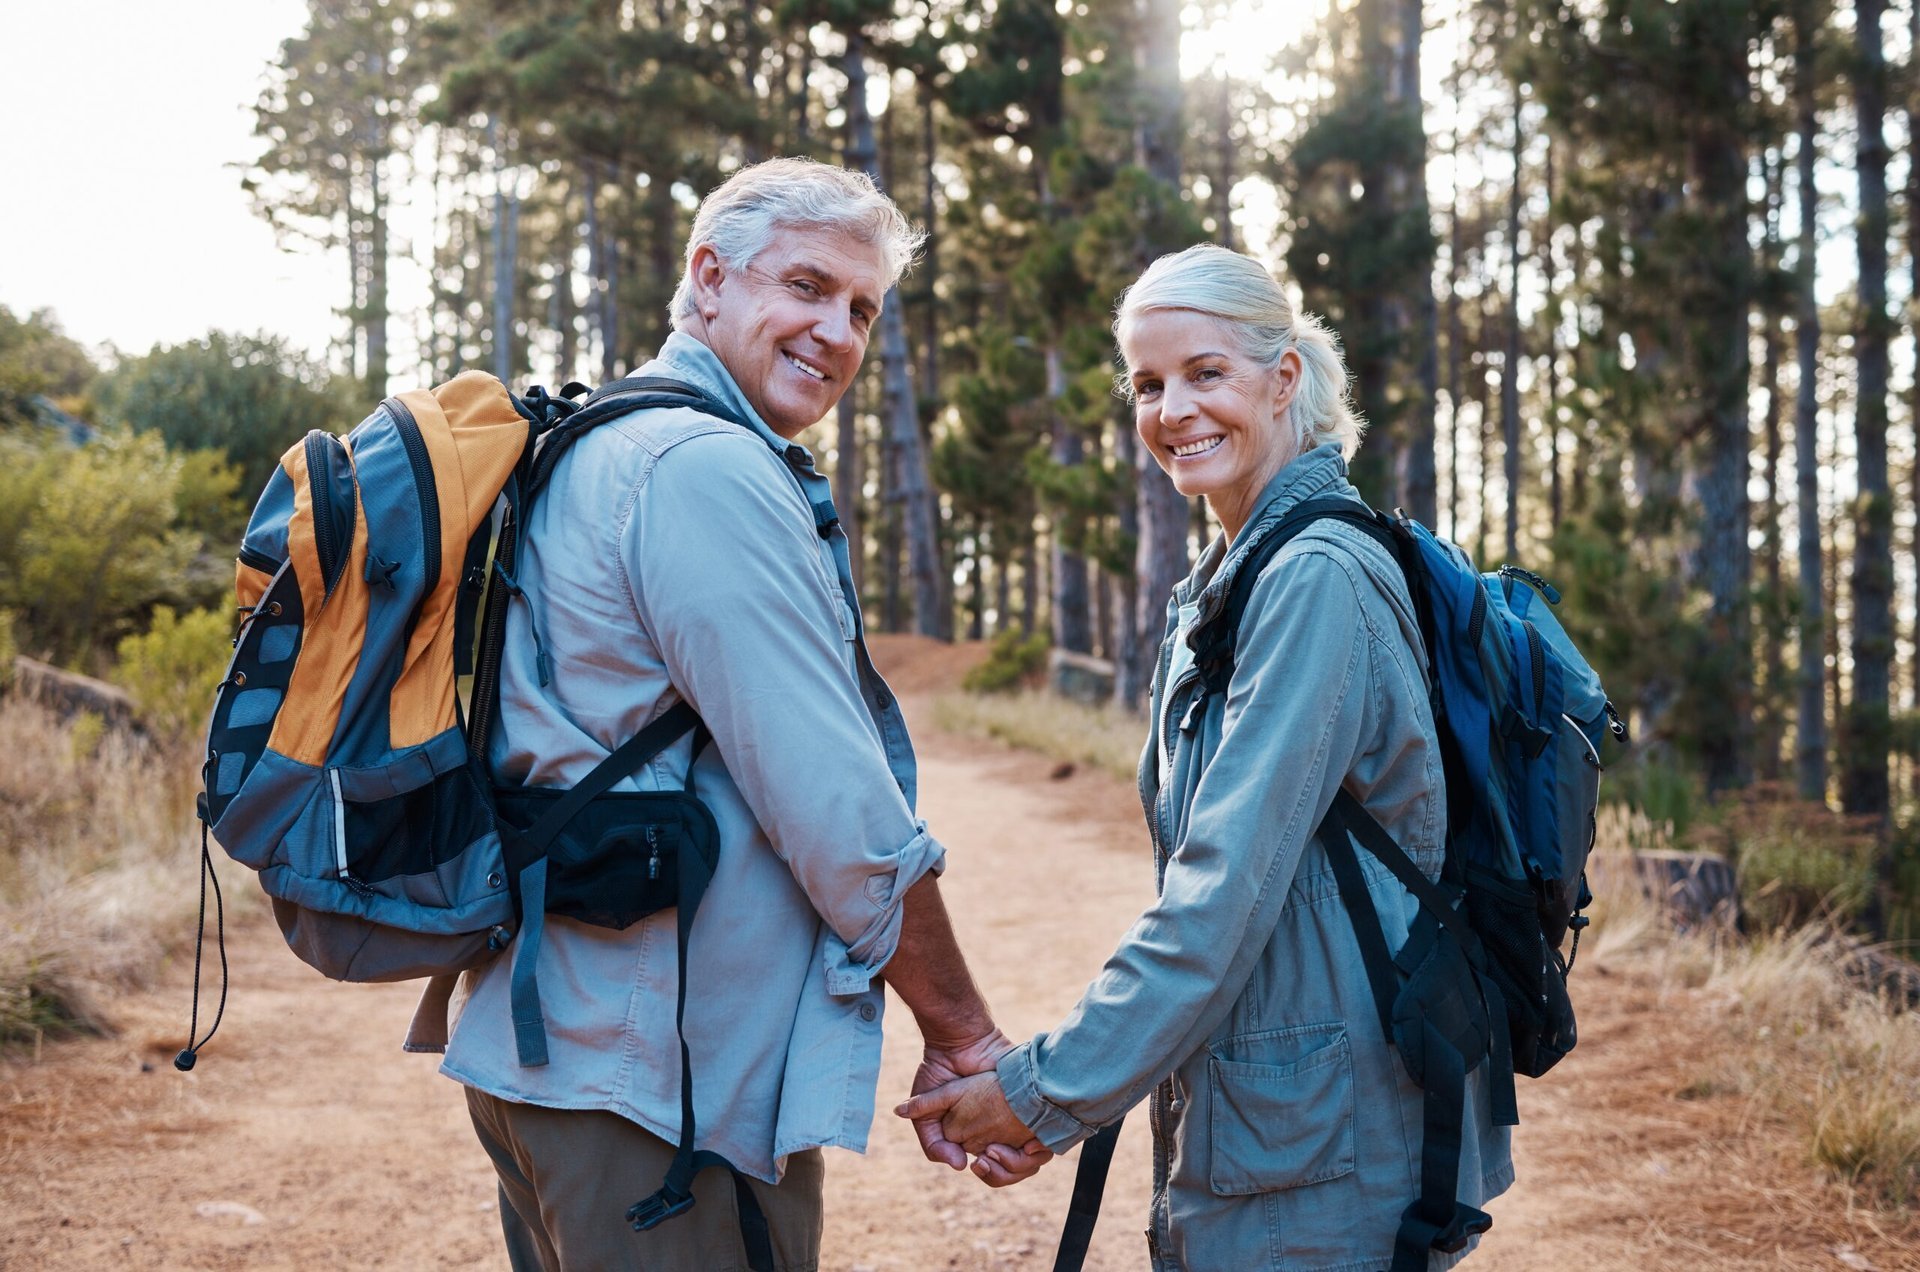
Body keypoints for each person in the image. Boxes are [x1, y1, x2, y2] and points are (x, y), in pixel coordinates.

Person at [440, 157, 1045, 1272]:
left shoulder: (608, 438)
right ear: (709, 278)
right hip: (658, 1098)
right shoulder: (700, 467)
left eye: (862, 309)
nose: (838, 331)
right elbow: (837, 809)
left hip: (568, 1061)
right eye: (808, 286)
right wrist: (963, 1034)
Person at [898, 243, 1513, 1269]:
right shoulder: (1240, 573)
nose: (1172, 409)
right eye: (1148, 383)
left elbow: (1222, 895)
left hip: (1327, 1142)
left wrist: (1041, 1092)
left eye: (1206, 373)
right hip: (1277, 1117)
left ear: (1285, 380)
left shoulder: (1313, 577)